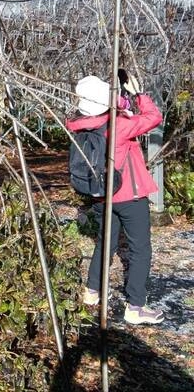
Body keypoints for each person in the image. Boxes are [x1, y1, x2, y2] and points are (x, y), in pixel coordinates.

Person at [66, 73, 164, 325]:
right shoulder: (118, 126)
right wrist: (139, 95)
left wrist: (120, 101)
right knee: (140, 249)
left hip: (101, 195)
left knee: (104, 244)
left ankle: (92, 292)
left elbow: (113, 108)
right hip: (129, 195)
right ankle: (136, 306)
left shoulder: (78, 124)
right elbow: (154, 118)